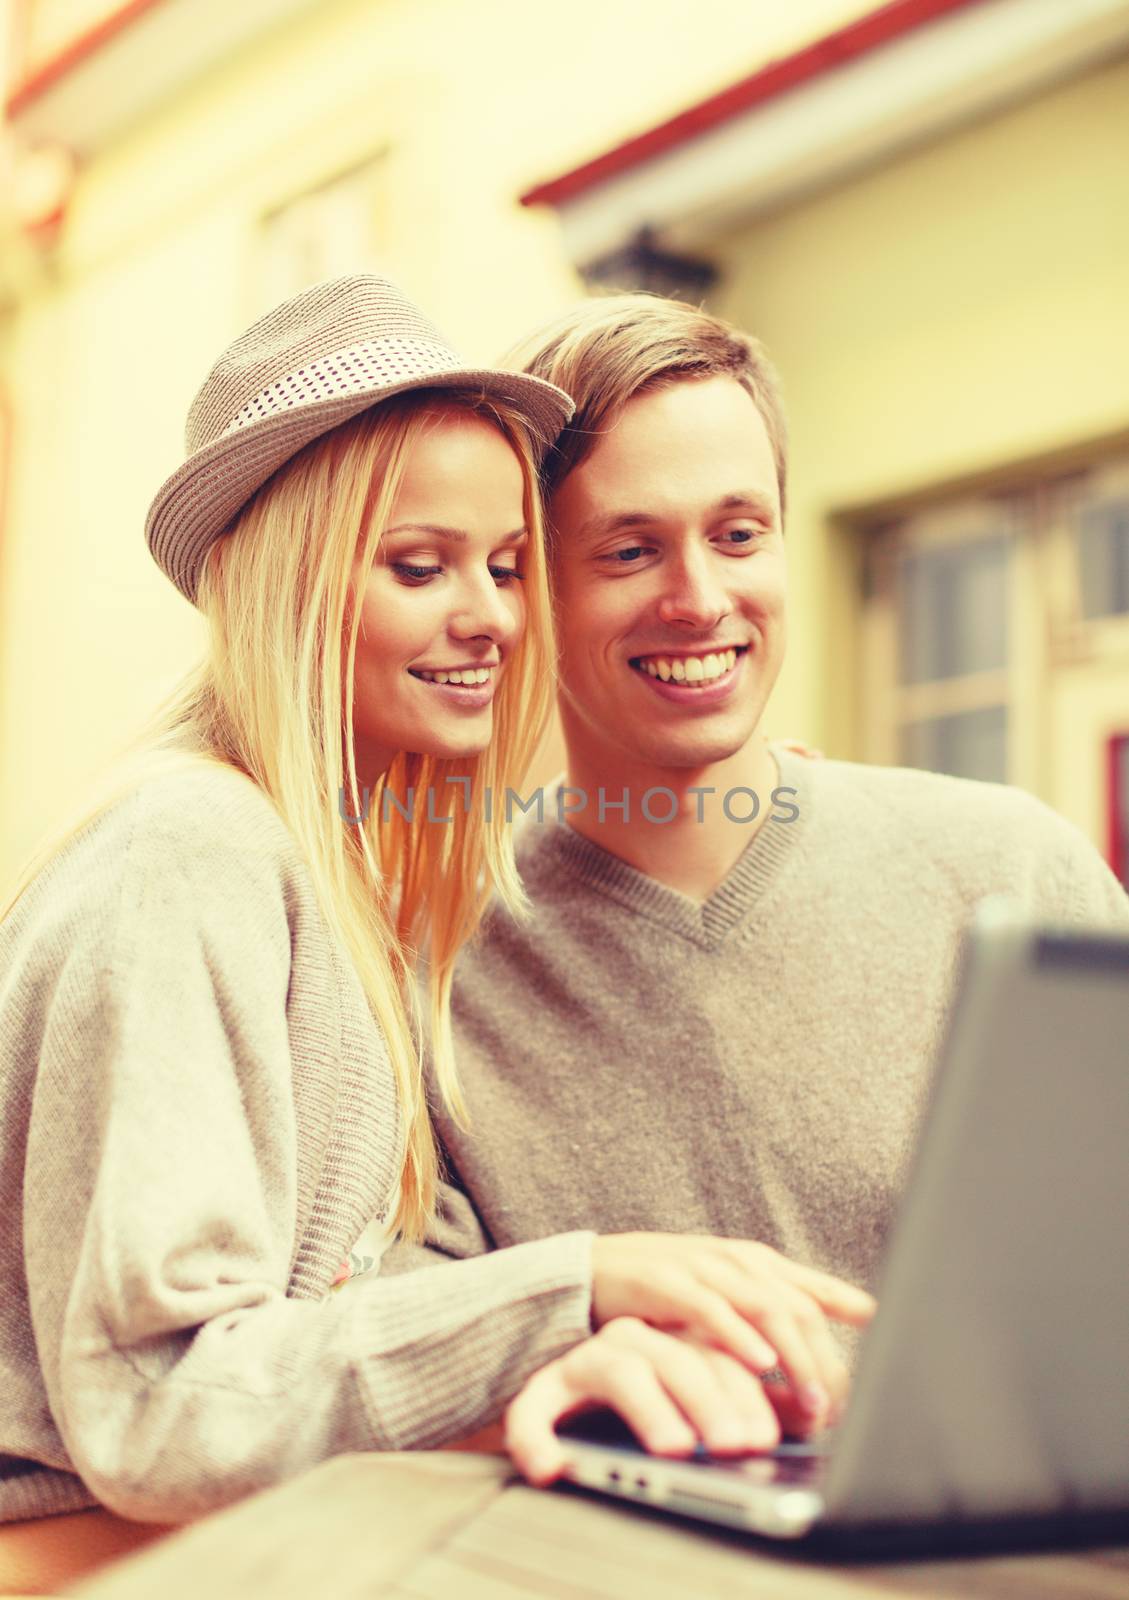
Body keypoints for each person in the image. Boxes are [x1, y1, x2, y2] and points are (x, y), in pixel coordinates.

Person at [0, 275, 873, 1525]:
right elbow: (157, 1404)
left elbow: (371, 1277)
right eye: (419, 566)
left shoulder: (356, 880)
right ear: (287, 582)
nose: (491, 619)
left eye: (509, 566)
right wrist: (578, 1289)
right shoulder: (189, 850)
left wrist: (573, 1356)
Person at [378, 292, 1129, 1482]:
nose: (699, 597)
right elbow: (396, 1341)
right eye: (628, 549)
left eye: (738, 534)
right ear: (527, 588)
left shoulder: (1009, 871)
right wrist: (536, 1370)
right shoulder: (423, 968)